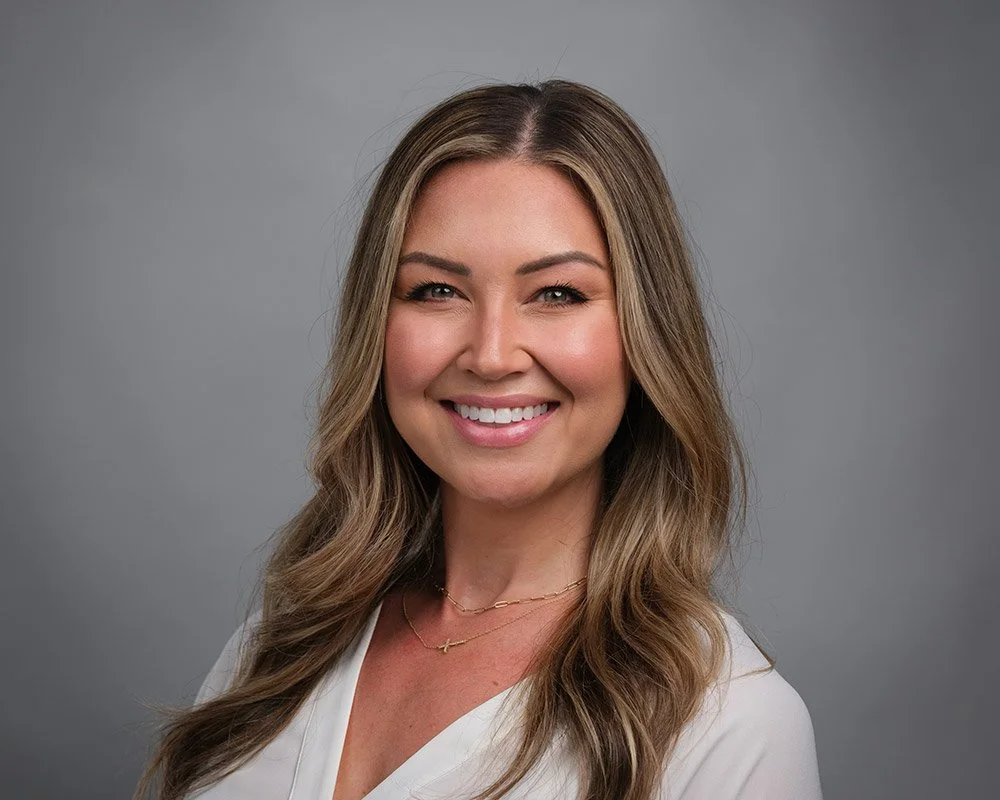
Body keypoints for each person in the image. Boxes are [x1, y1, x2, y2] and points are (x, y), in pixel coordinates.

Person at [135, 79, 823, 800]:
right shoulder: (276, 652)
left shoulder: (727, 724)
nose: (492, 354)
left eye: (557, 294)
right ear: (377, 326)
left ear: (643, 333)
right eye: (437, 291)